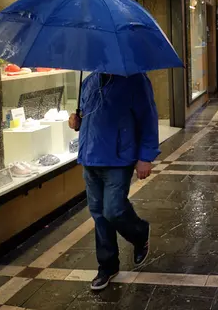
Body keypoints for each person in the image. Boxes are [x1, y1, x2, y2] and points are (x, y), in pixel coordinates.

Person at [68, 72, 159, 291]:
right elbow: (87, 116)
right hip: (90, 156)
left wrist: (145, 157)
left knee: (114, 210)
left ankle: (140, 233)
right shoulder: (89, 81)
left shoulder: (135, 80)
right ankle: (107, 266)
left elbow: (148, 117)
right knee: (98, 214)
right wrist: (77, 121)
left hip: (118, 158)